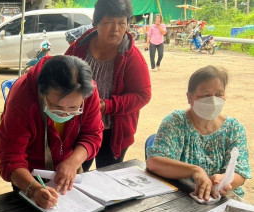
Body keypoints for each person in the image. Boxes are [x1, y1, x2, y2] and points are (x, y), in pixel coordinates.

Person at [0, 55, 104, 209]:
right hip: (28, 173)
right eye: (57, 107)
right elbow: (11, 157)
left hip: (68, 169)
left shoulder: (88, 91)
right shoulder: (22, 98)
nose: (65, 114)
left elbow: (92, 135)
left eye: (74, 108)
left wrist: (73, 162)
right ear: (42, 92)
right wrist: (33, 190)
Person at [65, 0, 151, 172]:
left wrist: (108, 105)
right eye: (109, 23)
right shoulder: (79, 49)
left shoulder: (131, 56)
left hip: (113, 132)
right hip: (79, 127)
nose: (116, 28)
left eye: (121, 23)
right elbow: (62, 80)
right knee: (75, 176)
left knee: (108, 180)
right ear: (96, 23)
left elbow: (143, 95)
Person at [146, 66, 251, 201]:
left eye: (219, 94)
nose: (213, 101)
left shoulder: (233, 128)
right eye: (206, 95)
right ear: (190, 97)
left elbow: (240, 173)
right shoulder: (175, 123)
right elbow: (155, 163)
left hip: (221, 200)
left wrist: (223, 181)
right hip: (181, 198)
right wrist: (195, 171)